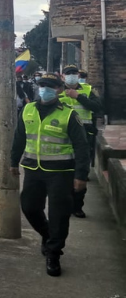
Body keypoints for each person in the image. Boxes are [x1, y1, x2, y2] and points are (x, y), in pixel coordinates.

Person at [10, 73, 90, 277]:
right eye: (42, 85)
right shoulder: (28, 109)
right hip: (33, 170)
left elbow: (82, 147)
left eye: (50, 86)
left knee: (59, 215)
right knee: (29, 207)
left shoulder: (69, 114)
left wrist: (81, 175)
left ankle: (53, 253)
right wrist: (13, 162)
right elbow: (19, 137)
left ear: (59, 90)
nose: (45, 89)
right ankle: (47, 235)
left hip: (60, 172)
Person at [58, 65, 103, 218]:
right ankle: (66, 203)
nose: (71, 76)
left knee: (81, 172)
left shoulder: (88, 90)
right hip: (63, 136)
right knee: (65, 172)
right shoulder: (57, 90)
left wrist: (78, 96)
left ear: (78, 75)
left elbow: (98, 107)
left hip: (84, 135)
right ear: (63, 76)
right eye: (68, 73)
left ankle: (77, 206)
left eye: (74, 73)